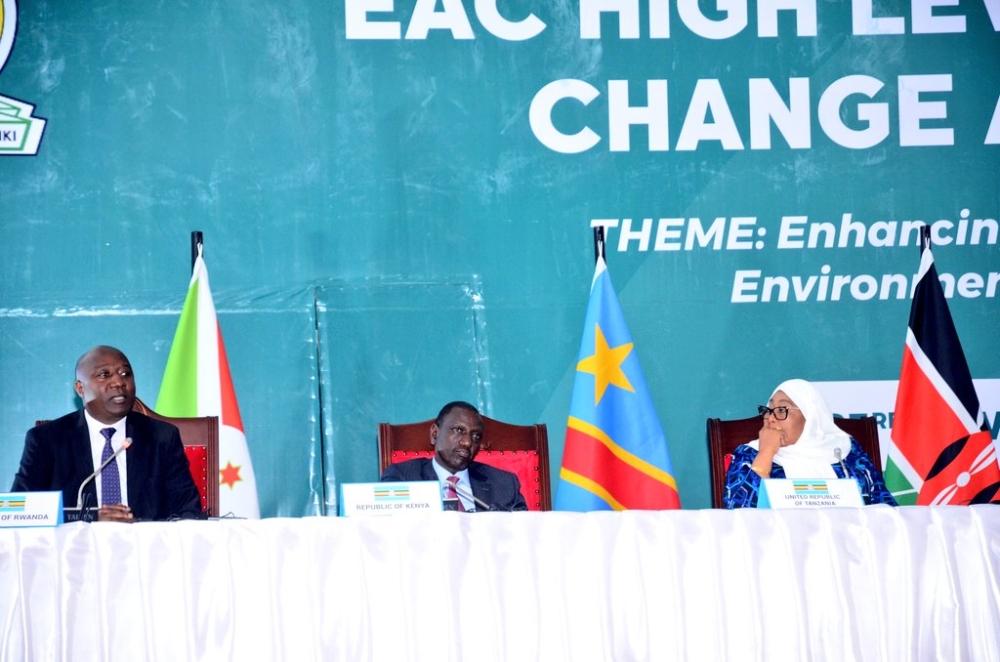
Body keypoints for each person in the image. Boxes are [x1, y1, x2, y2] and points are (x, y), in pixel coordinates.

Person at [10, 345, 204, 522]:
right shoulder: (47, 440)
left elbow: (188, 510)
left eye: (125, 374)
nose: (119, 382)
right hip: (75, 546)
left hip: (144, 545)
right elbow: (21, 511)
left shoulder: (162, 437)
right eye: (104, 375)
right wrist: (91, 517)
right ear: (80, 388)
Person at [723, 379, 897, 509]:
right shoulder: (749, 454)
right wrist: (766, 452)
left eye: (782, 410)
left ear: (811, 416)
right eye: (768, 410)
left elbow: (884, 506)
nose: (771, 418)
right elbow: (740, 514)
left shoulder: (846, 451)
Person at [380, 401, 528, 512]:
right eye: (458, 430)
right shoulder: (402, 477)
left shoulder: (504, 484)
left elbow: (523, 535)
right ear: (435, 434)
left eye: (476, 436)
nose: (467, 442)